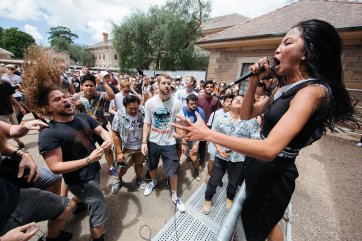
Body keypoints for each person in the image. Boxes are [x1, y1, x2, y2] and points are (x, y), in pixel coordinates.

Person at [173, 19, 359, 241]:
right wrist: (253, 81)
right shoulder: (284, 87)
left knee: (260, 227)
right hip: (259, 166)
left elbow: (271, 148)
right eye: (279, 44)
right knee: (263, 224)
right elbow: (247, 114)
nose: (277, 49)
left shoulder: (313, 91)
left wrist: (209, 134)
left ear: (306, 52)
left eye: (287, 43)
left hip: (274, 173)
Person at [22, 46, 111, 241]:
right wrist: (89, 159)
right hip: (79, 180)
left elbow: (101, 130)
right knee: (99, 206)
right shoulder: (49, 133)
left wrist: (108, 139)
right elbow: (55, 167)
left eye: (64, 96)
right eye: (57, 99)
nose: (65, 100)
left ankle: (74, 209)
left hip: (93, 173)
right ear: (46, 107)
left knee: (81, 201)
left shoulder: (81, 117)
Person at [203, 95, 260, 215]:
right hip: (221, 156)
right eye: (236, 99)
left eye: (242, 99)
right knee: (214, 180)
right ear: (230, 103)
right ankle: (208, 200)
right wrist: (218, 149)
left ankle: (229, 198)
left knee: (234, 182)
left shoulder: (252, 120)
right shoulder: (220, 118)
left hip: (239, 158)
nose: (239, 100)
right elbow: (213, 135)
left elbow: (256, 140)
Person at [141, 73, 186, 212]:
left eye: (169, 83)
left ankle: (174, 195)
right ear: (158, 85)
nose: (167, 85)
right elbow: (147, 123)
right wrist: (144, 142)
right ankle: (154, 182)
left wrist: (183, 141)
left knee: (172, 171)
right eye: (164, 83)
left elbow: (179, 124)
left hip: (169, 143)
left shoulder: (177, 103)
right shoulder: (150, 103)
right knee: (152, 166)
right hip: (153, 142)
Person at [73, 74, 117, 178]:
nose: (89, 87)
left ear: (95, 85)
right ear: (82, 86)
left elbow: (111, 95)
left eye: (91, 85)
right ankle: (90, 171)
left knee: (108, 149)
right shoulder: (76, 97)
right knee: (86, 151)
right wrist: (76, 107)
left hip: (101, 127)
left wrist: (102, 82)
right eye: (86, 85)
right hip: (85, 130)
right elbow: (71, 115)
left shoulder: (100, 94)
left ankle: (112, 167)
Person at [111, 95, 146, 193]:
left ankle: (139, 178)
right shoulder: (119, 115)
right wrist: (119, 152)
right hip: (126, 148)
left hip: (140, 147)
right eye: (130, 109)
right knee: (121, 167)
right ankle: (118, 180)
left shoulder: (143, 113)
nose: (134, 111)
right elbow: (115, 134)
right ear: (125, 107)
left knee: (139, 164)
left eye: (136, 108)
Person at [206, 93, 233, 182]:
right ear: (223, 103)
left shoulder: (234, 115)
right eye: (227, 101)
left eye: (231, 101)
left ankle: (218, 177)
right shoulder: (215, 114)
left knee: (222, 161)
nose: (229, 103)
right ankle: (209, 174)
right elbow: (209, 127)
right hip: (214, 141)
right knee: (212, 159)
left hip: (226, 143)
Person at [180, 94, 205, 181]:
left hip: (194, 136)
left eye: (195, 103)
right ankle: (176, 168)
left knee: (194, 157)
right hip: (182, 134)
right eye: (191, 104)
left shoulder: (200, 111)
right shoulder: (182, 110)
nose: (194, 105)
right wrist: (183, 141)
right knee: (178, 153)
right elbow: (180, 126)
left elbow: (201, 129)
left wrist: (197, 144)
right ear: (187, 103)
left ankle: (196, 170)